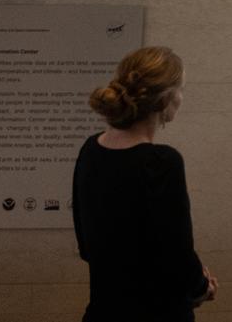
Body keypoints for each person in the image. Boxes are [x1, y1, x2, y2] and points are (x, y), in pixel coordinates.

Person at [72, 45, 216, 322]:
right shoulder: (162, 163)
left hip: (104, 312)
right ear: (165, 99)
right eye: (181, 89)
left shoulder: (90, 149)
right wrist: (201, 286)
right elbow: (177, 252)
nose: (182, 98)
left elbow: (87, 246)